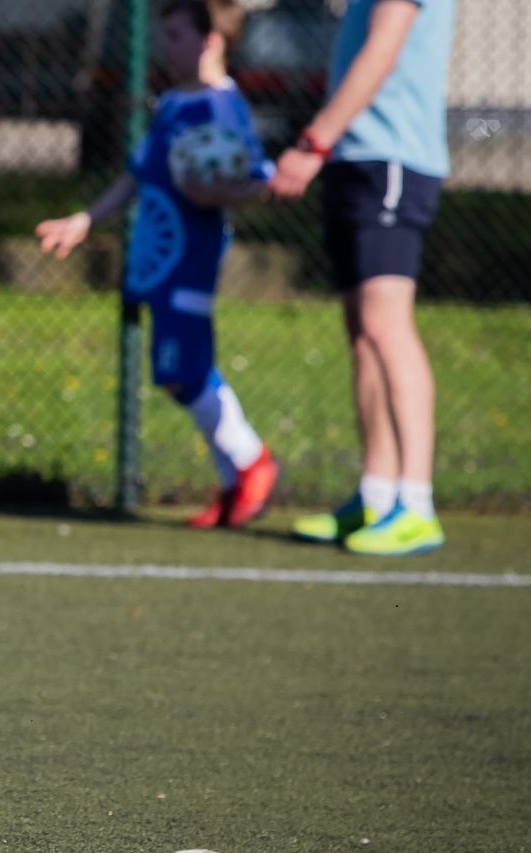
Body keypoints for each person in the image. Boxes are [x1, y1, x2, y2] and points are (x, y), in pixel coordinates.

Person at [36, 0, 278, 528]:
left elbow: (263, 179)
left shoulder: (223, 107)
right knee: (179, 370)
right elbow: (137, 174)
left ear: (211, 39)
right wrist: (85, 219)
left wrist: (220, 192)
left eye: (175, 35)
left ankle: (251, 462)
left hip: (192, 256)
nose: (166, 47)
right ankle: (238, 481)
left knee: (182, 369)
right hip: (155, 258)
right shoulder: (171, 103)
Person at [271, 0, 452, 555]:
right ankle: (376, 494)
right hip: (355, 159)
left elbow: (381, 52)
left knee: (385, 326)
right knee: (363, 332)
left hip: (390, 159)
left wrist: (313, 143)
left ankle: (415, 505)